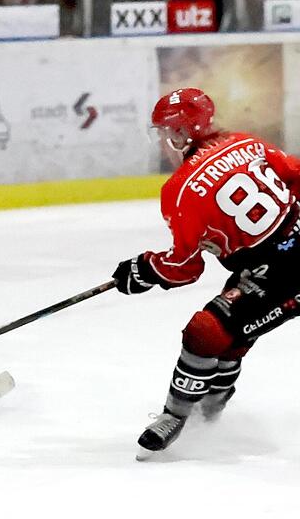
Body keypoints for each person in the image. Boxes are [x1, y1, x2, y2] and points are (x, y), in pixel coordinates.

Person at [112, 88, 300, 459]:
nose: (164, 142)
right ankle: (210, 410)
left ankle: (176, 415)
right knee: (232, 328)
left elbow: (184, 269)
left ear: (181, 134)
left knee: (206, 330)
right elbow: (295, 173)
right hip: (266, 269)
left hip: (279, 276)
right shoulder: (247, 142)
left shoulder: (180, 191)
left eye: (166, 132)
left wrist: (144, 269)